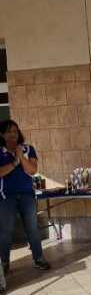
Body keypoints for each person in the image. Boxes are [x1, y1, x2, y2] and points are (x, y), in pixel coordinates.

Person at [0, 119, 50, 279]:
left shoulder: (28, 149)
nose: (13, 134)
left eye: (15, 131)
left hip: (27, 195)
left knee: (32, 228)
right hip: (6, 196)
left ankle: (38, 258)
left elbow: (32, 170)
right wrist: (14, 163)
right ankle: (4, 263)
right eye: (9, 131)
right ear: (2, 134)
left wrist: (21, 156)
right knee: (6, 231)